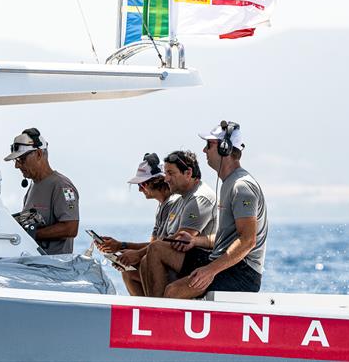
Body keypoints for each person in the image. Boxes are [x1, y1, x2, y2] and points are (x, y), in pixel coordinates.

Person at [142, 121, 267, 299]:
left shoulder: (242, 187)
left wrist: (209, 271)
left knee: (173, 291)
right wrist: (195, 241)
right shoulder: (228, 184)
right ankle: (150, 315)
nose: (204, 150)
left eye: (208, 145)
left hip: (242, 272)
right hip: (218, 260)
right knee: (156, 249)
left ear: (224, 148)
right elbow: (227, 237)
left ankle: (156, 320)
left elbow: (247, 240)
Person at [95, 153, 177, 296]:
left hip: (175, 270)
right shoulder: (163, 206)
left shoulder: (174, 204)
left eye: (142, 184)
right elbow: (153, 245)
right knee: (128, 272)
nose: (140, 189)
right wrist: (121, 247)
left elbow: (162, 247)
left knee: (131, 270)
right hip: (164, 264)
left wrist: (128, 251)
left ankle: (149, 312)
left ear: (157, 180)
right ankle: (144, 313)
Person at [139, 150, 217, 297]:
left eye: (170, 173)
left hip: (205, 258)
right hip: (191, 256)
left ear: (188, 173)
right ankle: (150, 311)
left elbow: (179, 241)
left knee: (156, 249)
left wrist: (132, 251)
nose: (166, 178)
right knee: (144, 261)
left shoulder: (199, 198)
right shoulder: (181, 198)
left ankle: (157, 311)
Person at [4, 128, 79, 255]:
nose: (17, 166)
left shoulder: (62, 186)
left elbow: (70, 228)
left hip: (54, 270)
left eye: (21, 159)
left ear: (38, 154)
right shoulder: (33, 185)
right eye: (16, 161)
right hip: (35, 266)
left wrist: (31, 234)